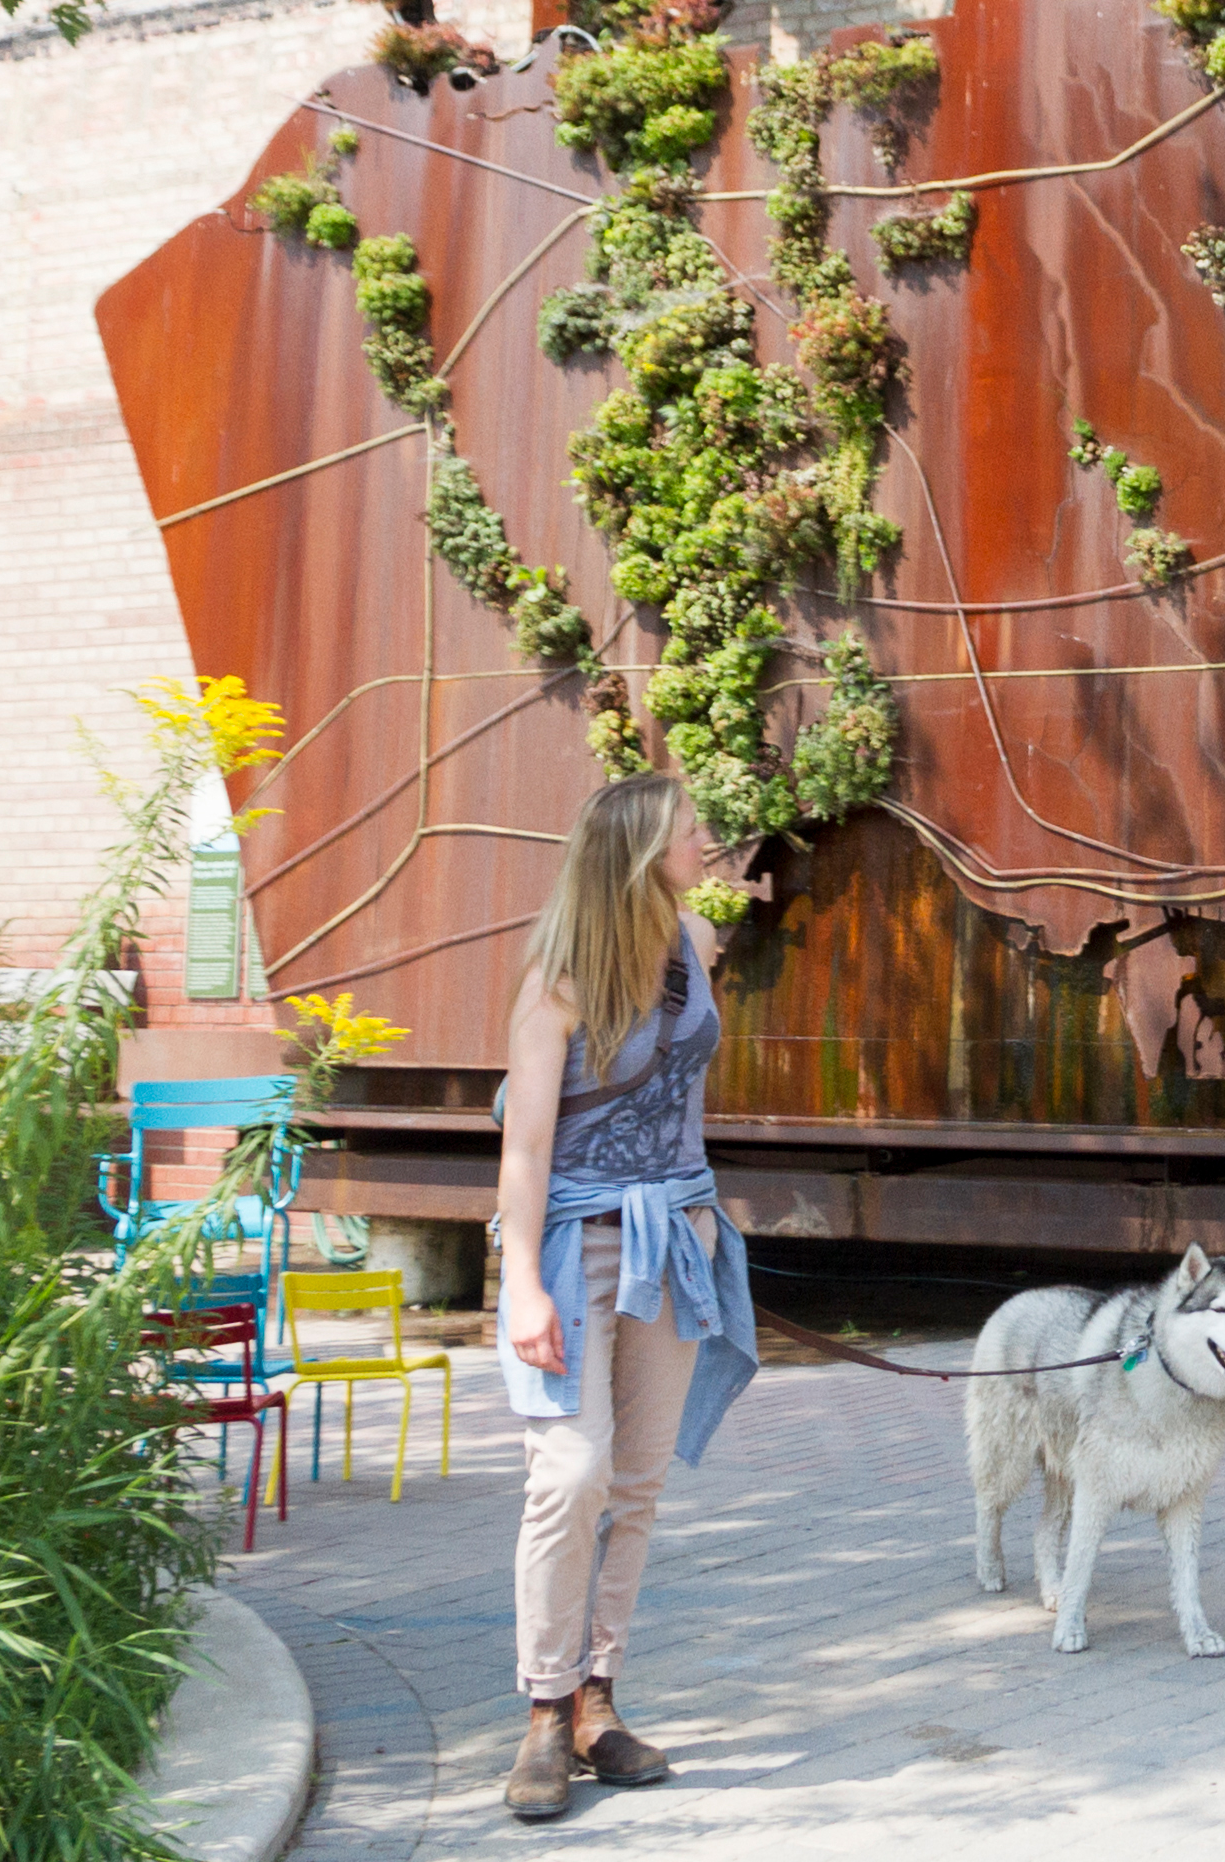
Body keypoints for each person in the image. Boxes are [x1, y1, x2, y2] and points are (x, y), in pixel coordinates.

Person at [489, 772, 760, 1824]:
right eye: (690, 826)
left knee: (636, 1482)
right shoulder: (556, 982)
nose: (707, 836)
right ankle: (545, 1711)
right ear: (642, 851)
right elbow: (525, 1148)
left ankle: (598, 1702)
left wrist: (699, 1222)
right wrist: (519, 1287)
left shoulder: (690, 943)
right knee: (573, 1471)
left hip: (673, 1241)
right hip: (570, 1248)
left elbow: (681, 1096)